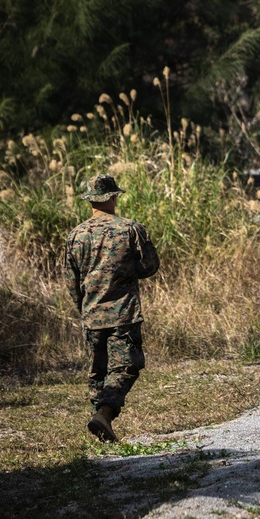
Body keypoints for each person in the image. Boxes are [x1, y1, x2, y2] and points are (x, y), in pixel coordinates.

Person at [64, 173, 160, 442]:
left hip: (91, 315)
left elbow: (71, 282)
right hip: (123, 313)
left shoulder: (75, 235)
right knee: (128, 366)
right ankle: (104, 416)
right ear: (114, 196)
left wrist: (85, 308)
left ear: (90, 200)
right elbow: (149, 267)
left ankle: (101, 423)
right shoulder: (130, 228)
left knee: (98, 373)